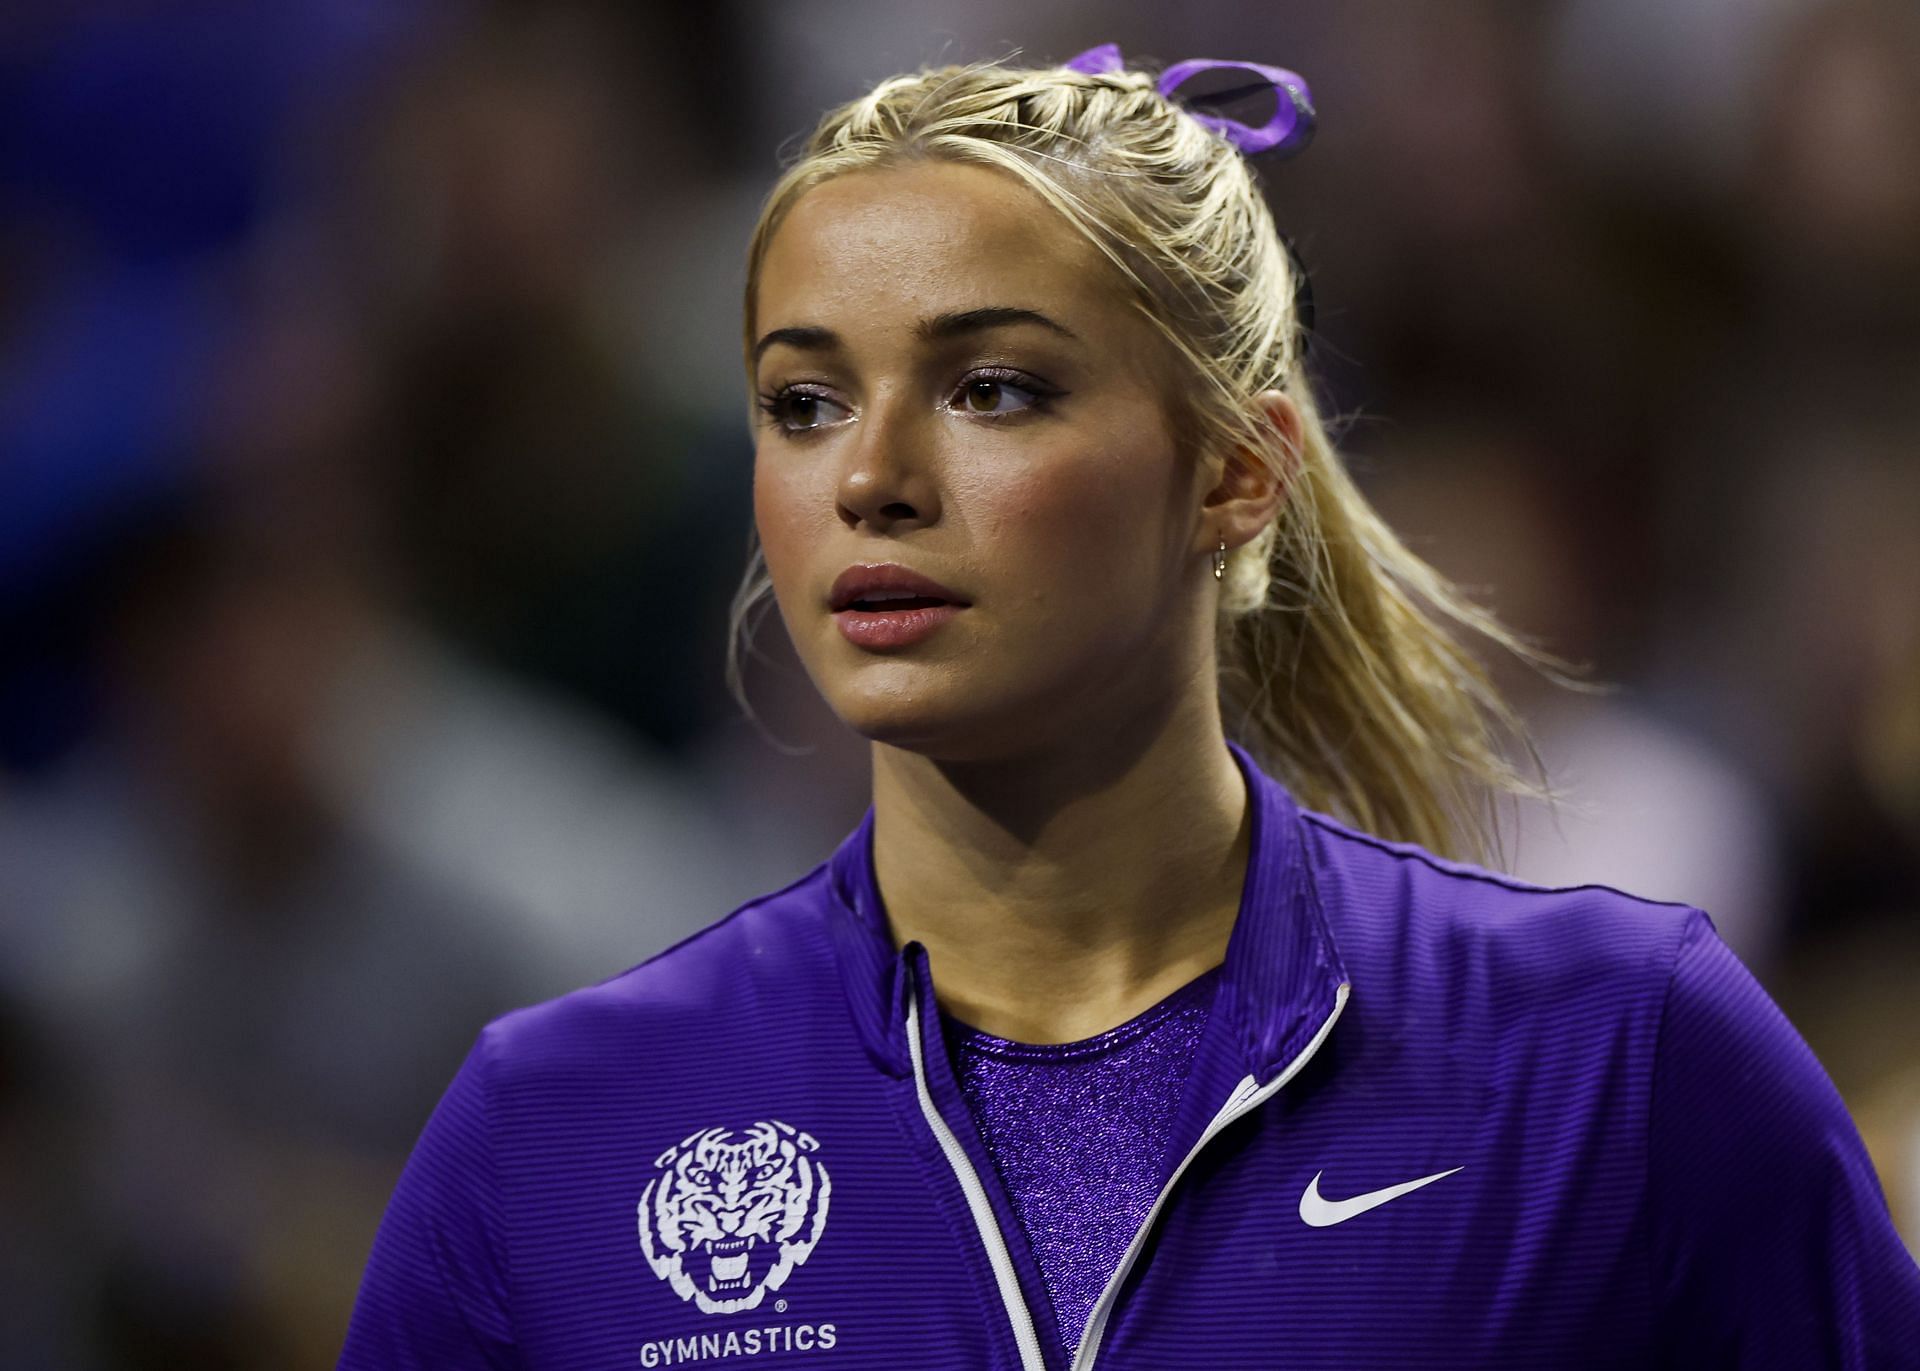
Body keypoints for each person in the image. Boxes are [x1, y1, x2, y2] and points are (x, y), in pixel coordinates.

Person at [338, 43, 1920, 1370]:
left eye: (993, 389)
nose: (873, 480)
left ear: (1238, 469)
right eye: (803, 403)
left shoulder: (1616, 1054)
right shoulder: (554, 1131)